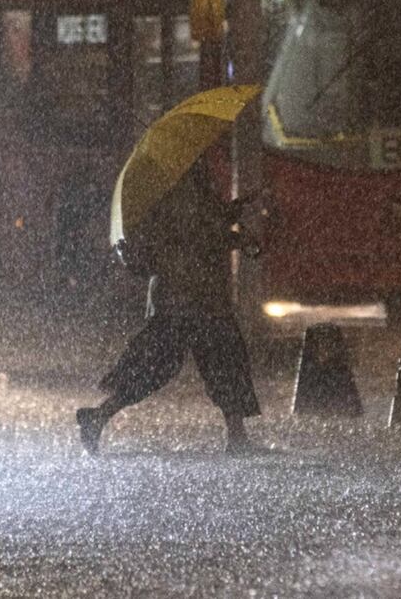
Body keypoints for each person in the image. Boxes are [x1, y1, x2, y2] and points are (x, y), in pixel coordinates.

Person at [75, 156, 264, 455]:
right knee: (171, 362)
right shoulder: (174, 192)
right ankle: (98, 416)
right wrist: (235, 236)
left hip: (196, 295)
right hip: (187, 296)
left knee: (219, 359)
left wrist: (234, 211)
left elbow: (205, 225)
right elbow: (196, 236)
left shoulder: (191, 187)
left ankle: (236, 435)